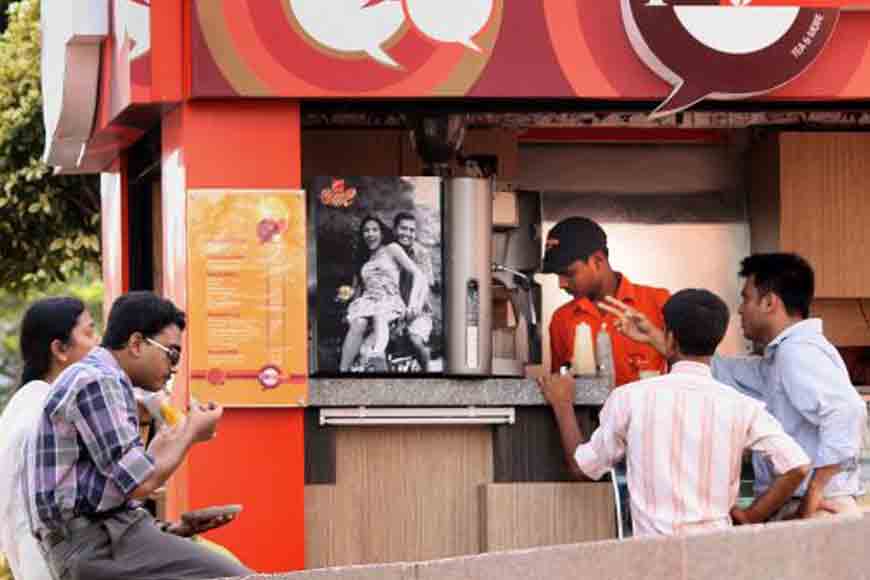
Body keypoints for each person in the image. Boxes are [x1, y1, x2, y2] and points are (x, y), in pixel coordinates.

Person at [604, 253, 867, 521]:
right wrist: (658, 338)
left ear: (769, 303)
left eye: (745, 298)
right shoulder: (782, 356)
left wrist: (814, 492)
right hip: (803, 504)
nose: (740, 310)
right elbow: (717, 369)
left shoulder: (798, 352)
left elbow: (847, 411)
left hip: (818, 507)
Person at [538, 289, 811, 536]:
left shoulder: (630, 398)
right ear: (716, 341)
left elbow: (582, 467)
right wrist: (752, 516)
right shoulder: (742, 406)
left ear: (669, 338)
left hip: (653, 558)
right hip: (717, 555)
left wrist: (562, 404)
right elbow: (797, 466)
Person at [27, 291, 252, 580]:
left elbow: (122, 484)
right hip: (95, 544)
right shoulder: (98, 380)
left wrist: (172, 531)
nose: (174, 367)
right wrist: (191, 433)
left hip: (105, 536)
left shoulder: (102, 378)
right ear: (136, 343)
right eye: (172, 353)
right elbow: (141, 482)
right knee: (237, 577)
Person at [0, 297, 98, 580]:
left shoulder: (28, 401)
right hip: (51, 562)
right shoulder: (46, 411)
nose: (98, 343)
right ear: (60, 350)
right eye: (89, 333)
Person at [542, 217, 670, 386]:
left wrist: (656, 339)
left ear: (597, 260)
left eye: (569, 273)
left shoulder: (659, 302)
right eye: (558, 275)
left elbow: (691, 371)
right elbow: (559, 389)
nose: (561, 284)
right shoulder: (561, 319)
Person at [339, 215, 426, 372]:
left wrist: (413, 302)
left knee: (379, 315)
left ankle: (377, 354)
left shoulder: (391, 249)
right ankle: (342, 370)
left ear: (382, 233)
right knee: (359, 323)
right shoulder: (363, 259)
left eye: (375, 230)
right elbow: (357, 289)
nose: (370, 234)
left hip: (389, 301)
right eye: (366, 231)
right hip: (367, 302)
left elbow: (417, 274)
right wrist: (345, 299)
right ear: (362, 235)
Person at [394, 211, 435, 371]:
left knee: (415, 339)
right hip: (393, 309)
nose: (407, 233)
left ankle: (427, 371)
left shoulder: (421, 254)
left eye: (411, 230)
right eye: (403, 228)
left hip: (418, 311)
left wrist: (414, 308)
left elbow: (425, 285)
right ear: (395, 229)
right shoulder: (390, 251)